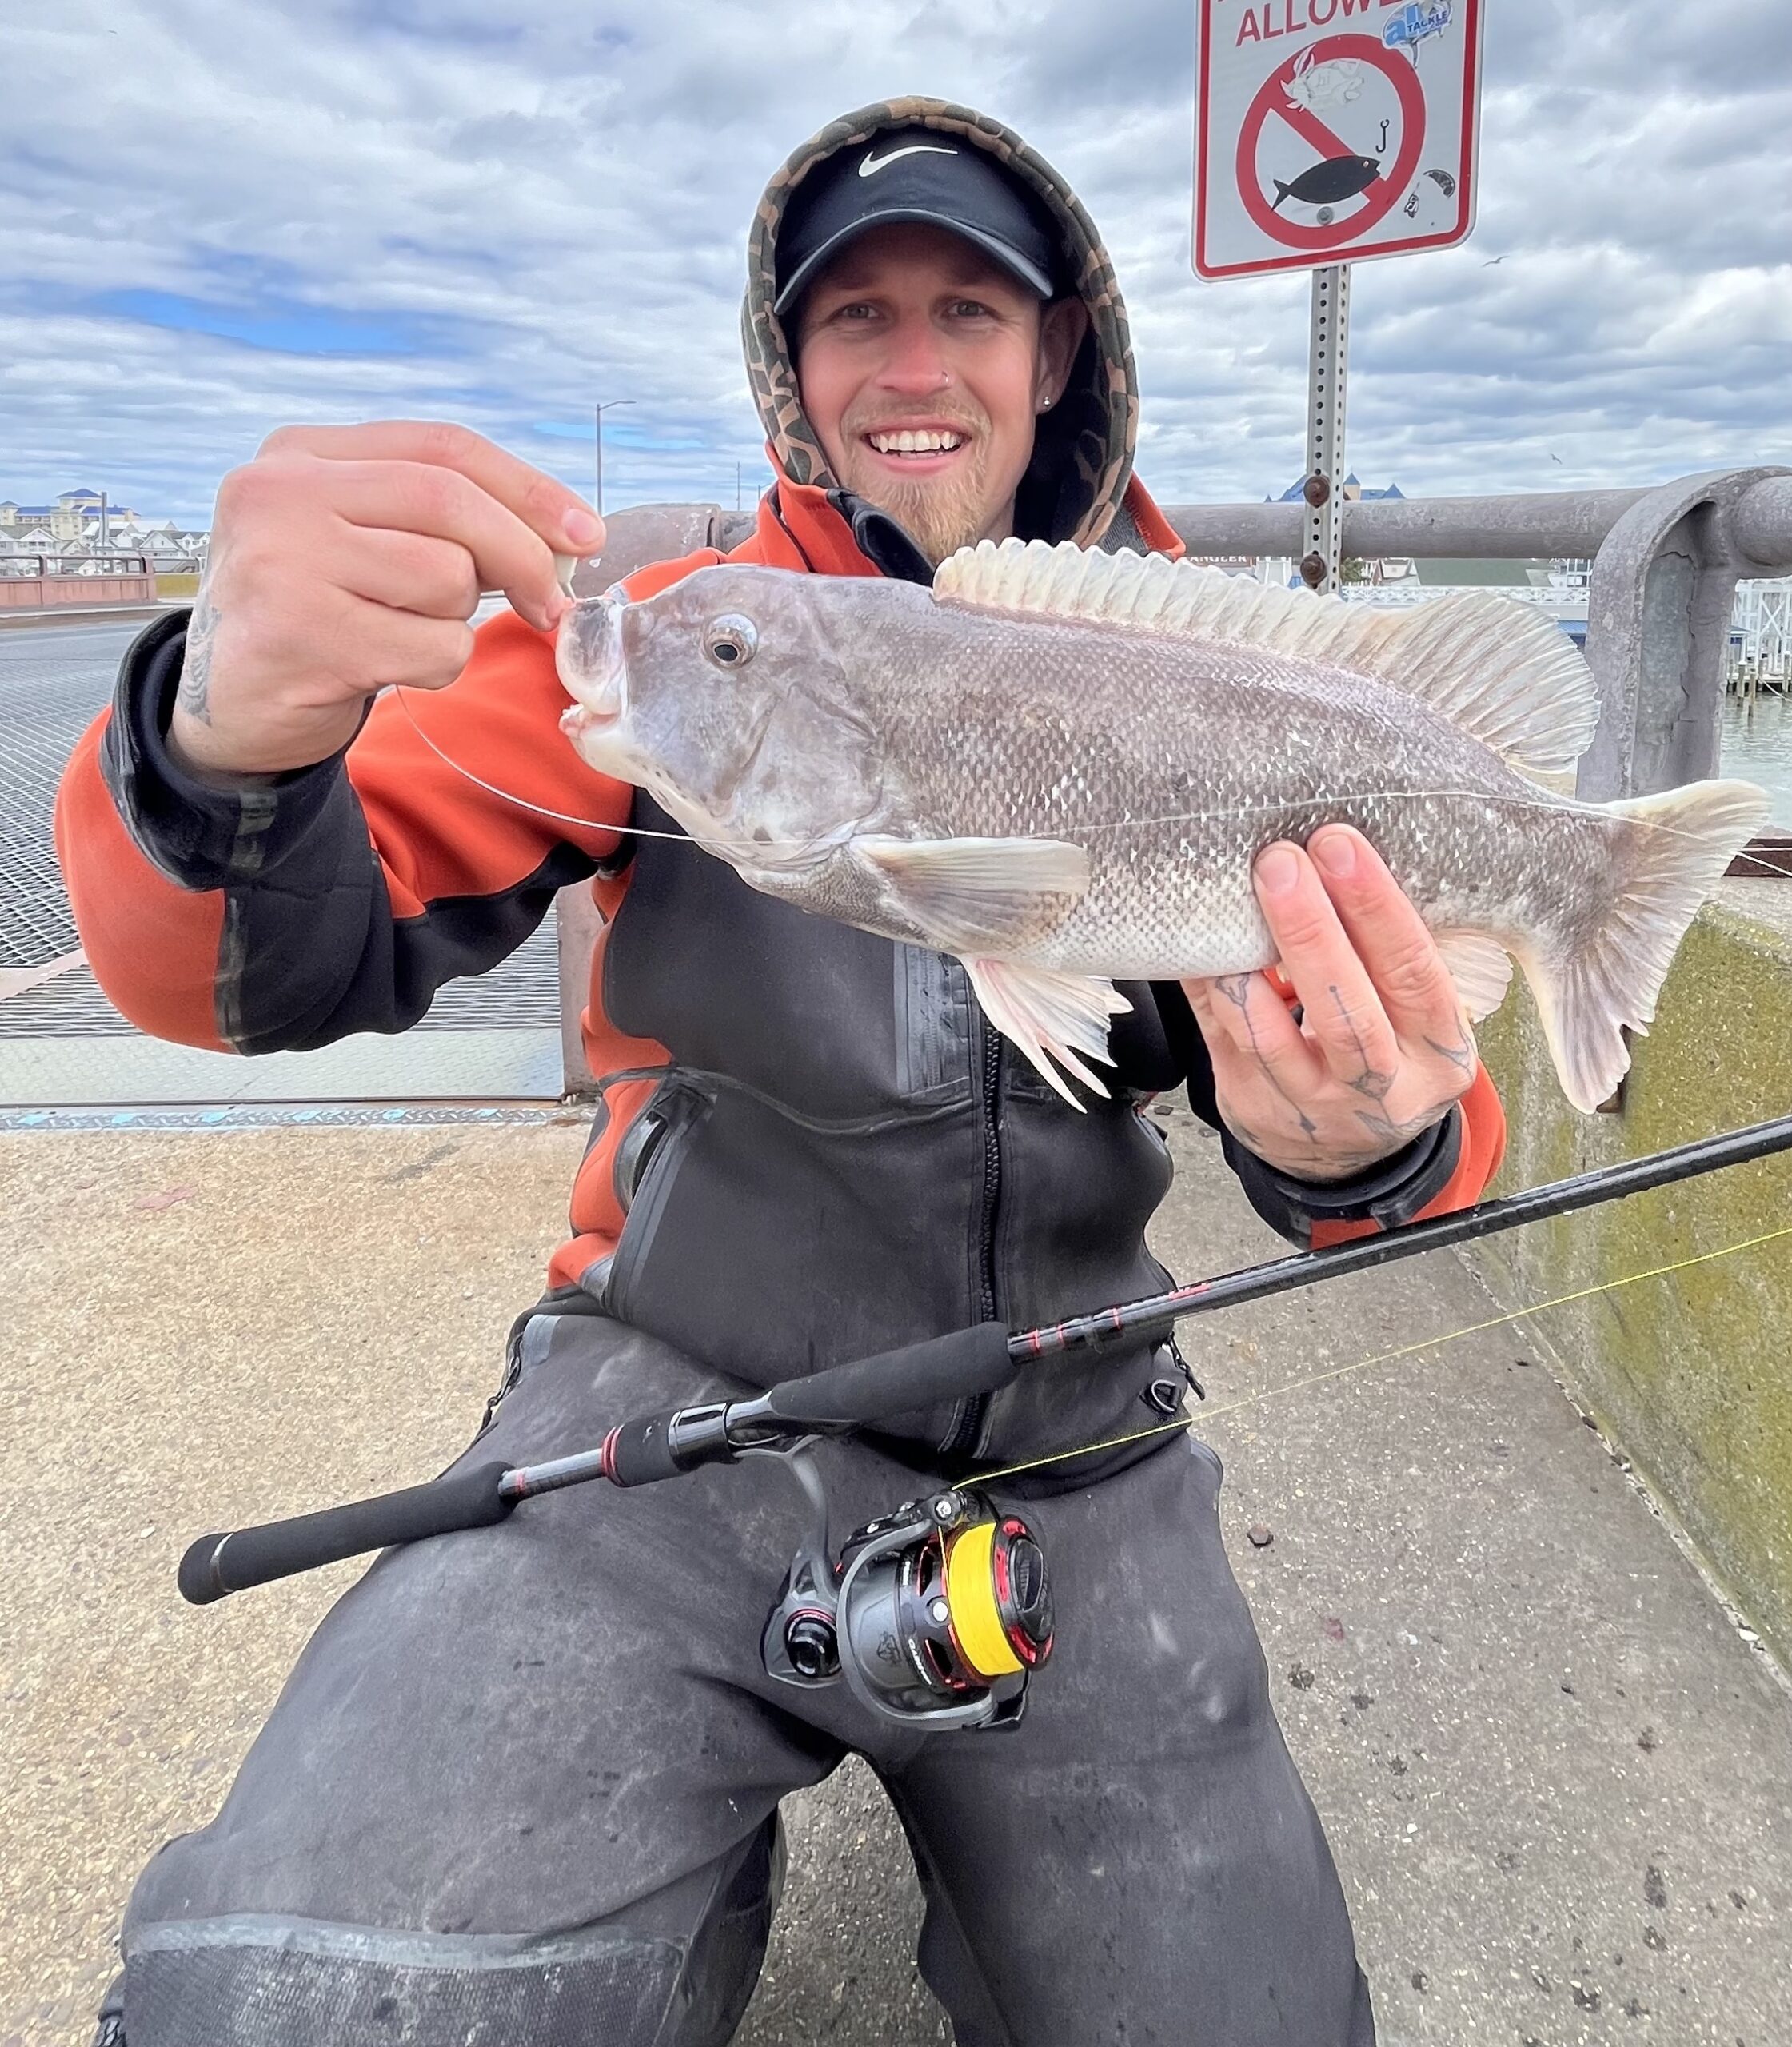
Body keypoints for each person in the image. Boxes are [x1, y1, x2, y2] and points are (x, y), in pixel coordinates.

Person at [60, 98, 1504, 2047]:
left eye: (967, 310)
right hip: (664, 1403)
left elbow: (1413, 1129)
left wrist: (1366, 1137)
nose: (909, 367)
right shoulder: (688, 640)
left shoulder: (1210, 684)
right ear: (789, 369)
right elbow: (256, 969)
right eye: (852, 317)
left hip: (1074, 1432)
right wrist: (224, 739)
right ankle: (663, 1812)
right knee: (300, 2001)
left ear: (1056, 351)